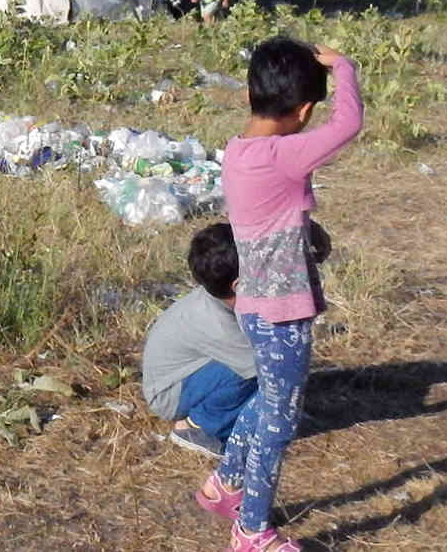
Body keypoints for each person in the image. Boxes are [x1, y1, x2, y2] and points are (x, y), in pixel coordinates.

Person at [195, 39, 362, 552]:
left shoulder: (239, 151)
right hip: (283, 313)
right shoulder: (284, 155)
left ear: (250, 93)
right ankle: (252, 530)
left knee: (269, 399)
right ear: (305, 110)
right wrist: (344, 67)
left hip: (255, 307)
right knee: (280, 420)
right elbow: (348, 124)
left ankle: (225, 484)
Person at [144, 222, 334, 461]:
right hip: (170, 393)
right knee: (261, 364)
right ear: (239, 284)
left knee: (262, 362)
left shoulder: (220, 298)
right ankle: (199, 428)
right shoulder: (215, 323)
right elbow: (268, 365)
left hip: (189, 374)